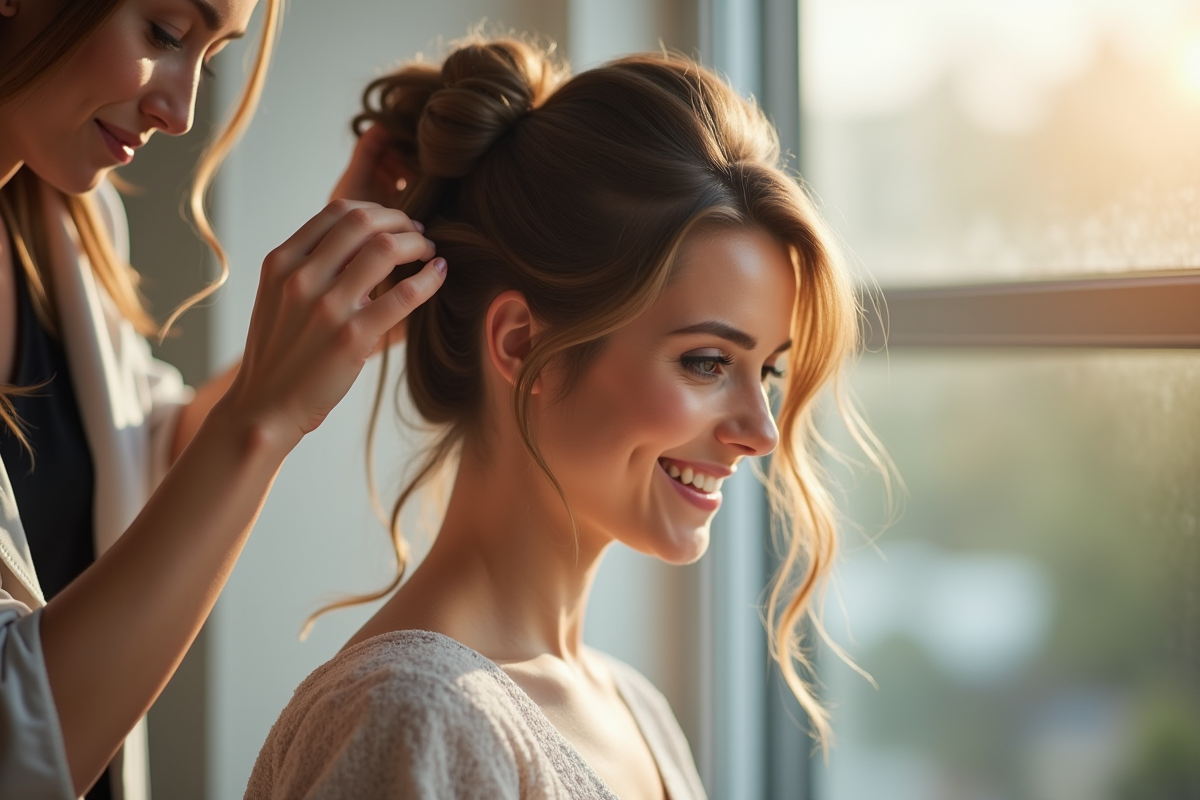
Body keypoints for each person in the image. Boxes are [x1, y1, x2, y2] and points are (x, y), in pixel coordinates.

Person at [246, 36, 878, 799]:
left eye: (768, 371)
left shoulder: (633, 708)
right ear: (522, 345)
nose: (761, 432)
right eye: (708, 363)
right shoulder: (415, 717)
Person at [0, 1, 445, 798]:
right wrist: (263, 418)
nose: (180, 112)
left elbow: (138, 458)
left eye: (208, 58)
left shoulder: (63, 219)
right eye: (165, 33)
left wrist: (334, 321)